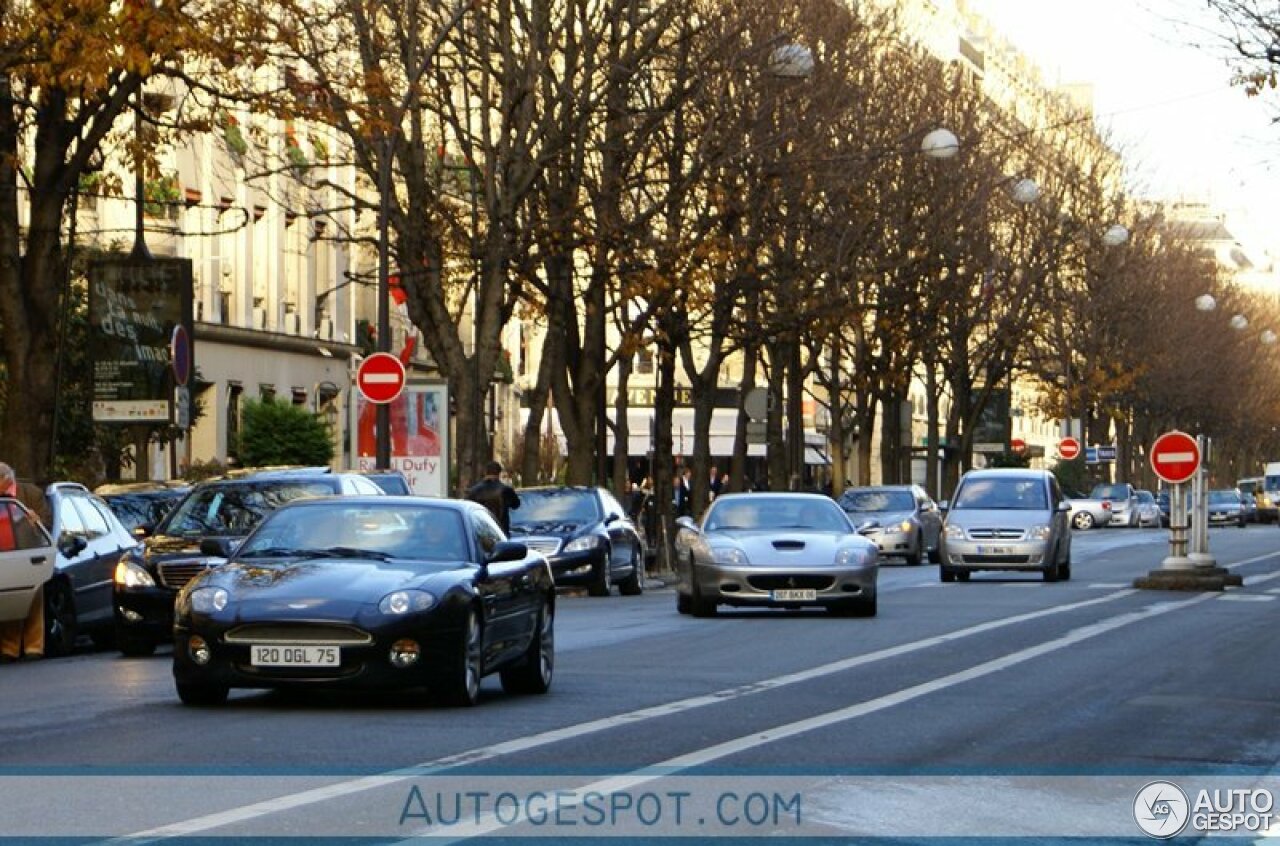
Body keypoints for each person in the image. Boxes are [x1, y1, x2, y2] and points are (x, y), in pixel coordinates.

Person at [0, 462, 51, 663]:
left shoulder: (31, 494)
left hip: (28, 553)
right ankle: (9, 648)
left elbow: (46, 523)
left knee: (34, 599)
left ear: (8, 479)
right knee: (9, 599)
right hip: (4, 553)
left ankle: (34, 647)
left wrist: (35, 521)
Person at [466, 460, 521, 534]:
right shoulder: (506, 490)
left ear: (485, 472)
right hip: (501, 531)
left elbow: (467, 510)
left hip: (481, 531)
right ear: (499, 473)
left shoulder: (474, 491)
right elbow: (516, 505)